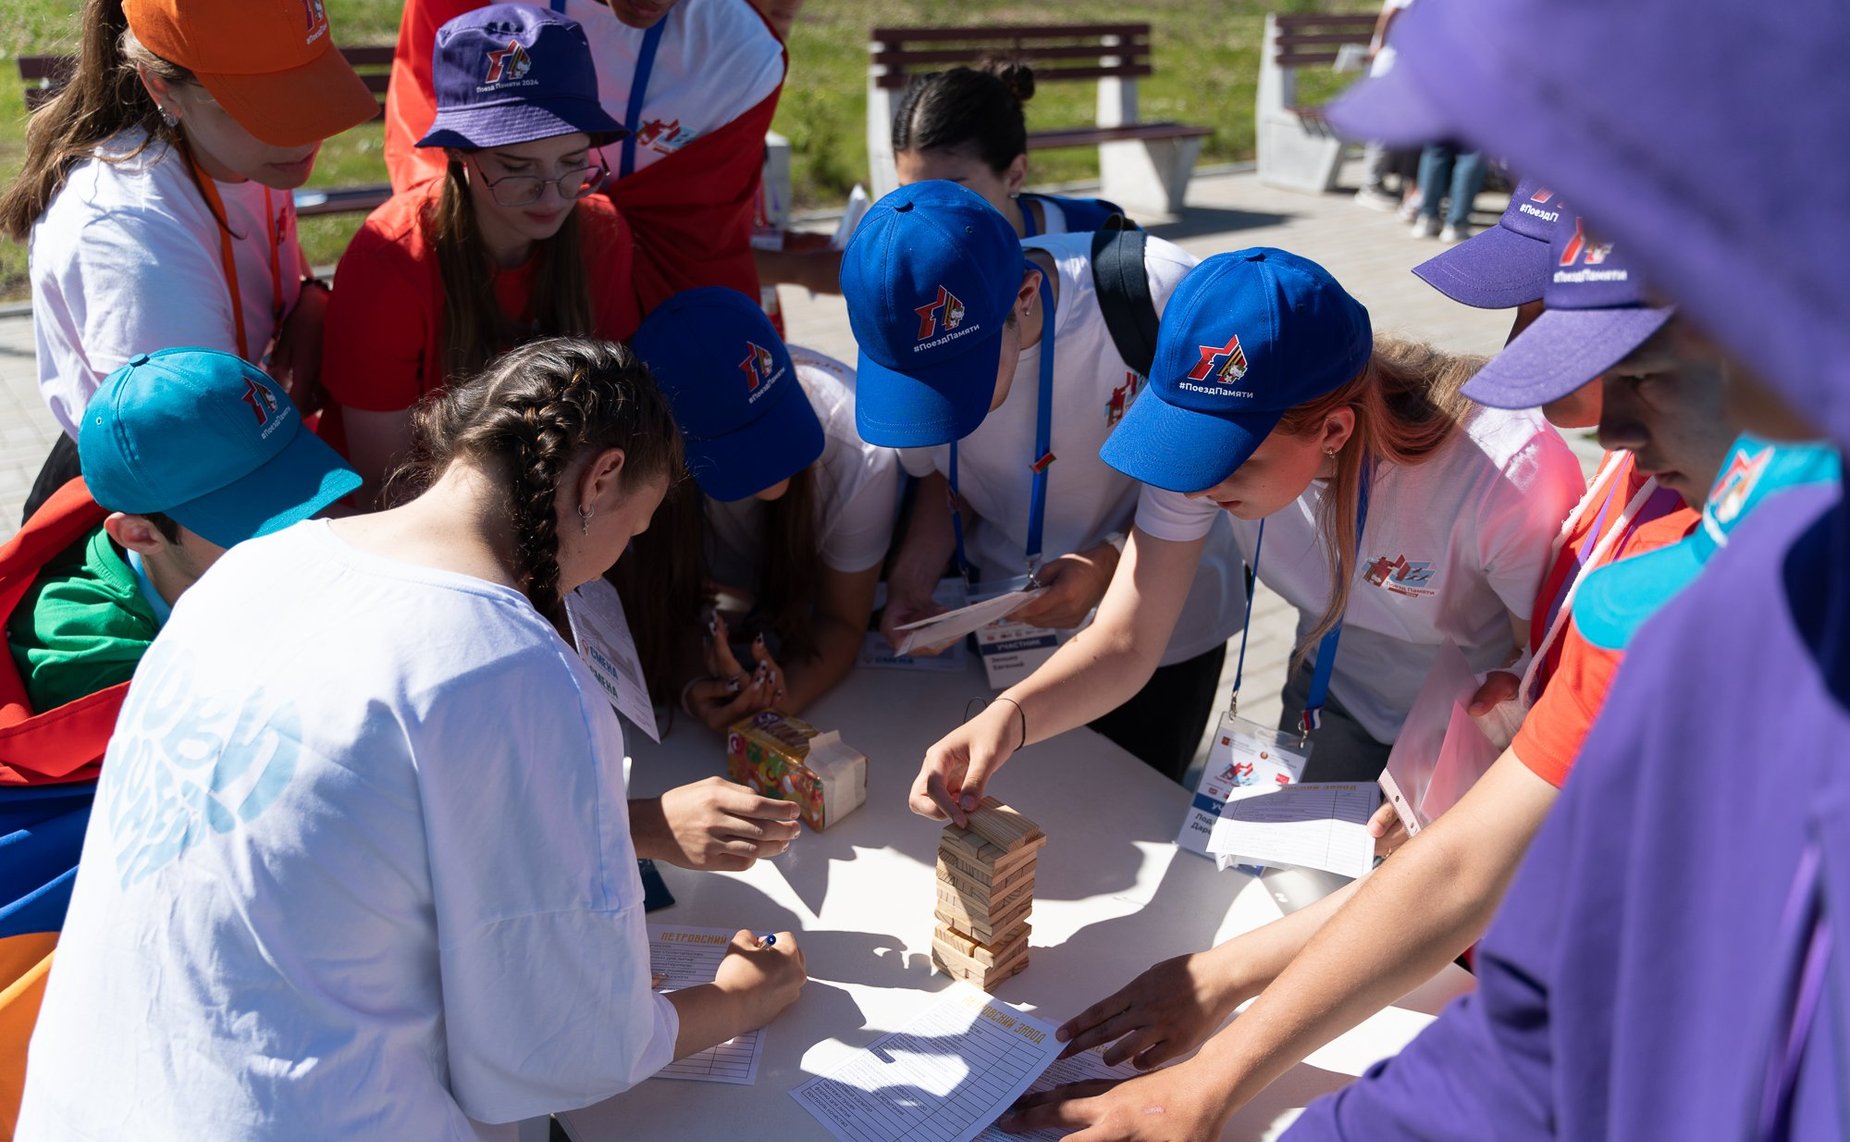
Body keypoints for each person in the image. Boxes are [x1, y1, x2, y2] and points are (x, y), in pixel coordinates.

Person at [1006, 235, 1808, 1136]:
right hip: (1382, 744)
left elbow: (1498, 810)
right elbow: (1477, 866)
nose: (1599, 426)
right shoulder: (1656, 539)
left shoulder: (1532, 488)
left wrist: (1227, 1024)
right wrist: (1220, 990)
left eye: (1640, 376)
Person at [1249, 0, 1849, 1136]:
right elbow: (1546, 1029)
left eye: (1646, 343)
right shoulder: (1760, 589)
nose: (1603, 412)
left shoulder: (1733, 583)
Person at [15, 339, 807, 1138]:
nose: (612, 564)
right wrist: (742, 995)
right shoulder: (514, 667)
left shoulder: (245, 576)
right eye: (633, 531)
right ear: (600, 480)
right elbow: (562, 1052)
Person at [912, 245, 1584, 829]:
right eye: (1187, 448)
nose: (1198, 485)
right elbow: (1127, 638)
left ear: (1334, 432)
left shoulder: (1504, 475)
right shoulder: (1205, 454)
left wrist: (1467, 792)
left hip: (1474, 729)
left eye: (1232, 459)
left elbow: (1550, 684)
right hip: (1334, 701)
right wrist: (1009, 720)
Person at [0, 347, 361, 1137]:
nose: (305, 530)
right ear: (136, 532)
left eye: (297, 490)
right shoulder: (88, 666)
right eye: (254, 516)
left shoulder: (192, 557)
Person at [841, 180, 1246, 782]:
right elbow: (942, 482)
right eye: (917, 386)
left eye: (960, 378)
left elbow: (1212, 478)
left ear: (1026, 294)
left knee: (1132, 805)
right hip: (1007, 627)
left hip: (1162, 632)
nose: (941, 407)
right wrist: (911, 580)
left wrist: (1104, 565)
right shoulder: (909, 336)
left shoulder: (1159, 296)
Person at [0, 0, 376, 522]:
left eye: (304, 89)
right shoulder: (127, 233)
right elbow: (196, 471)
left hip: (243, 451)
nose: (303, 132)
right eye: (261, 106)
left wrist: (310, 298)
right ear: (160, 86)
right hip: (166, 513)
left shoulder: (243, 150)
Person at [319, 4, 643, 505]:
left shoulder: (599, 232)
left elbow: (612, 420)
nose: (554, 196)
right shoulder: (391, 260)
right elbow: (386, 483)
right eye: (518, 167)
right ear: (456, 155)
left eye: (573, 163)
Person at [617, 286, 898, 730]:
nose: (771, 463)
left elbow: (843, 622)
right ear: (662, 445)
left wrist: (775, 706)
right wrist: (692, 685)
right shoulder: (626, 469)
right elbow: (652, 609)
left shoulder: (861, 449)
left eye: (775, 420)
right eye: (738, 445)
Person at [385, 0, 786, 300]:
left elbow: (700, 246)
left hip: (650, 312)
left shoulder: (747, 55)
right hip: (484, 281)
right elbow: (432, 159)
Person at [893, 61, 1125, 238]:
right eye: (910, 195)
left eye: (949, 193)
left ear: (1015, 175)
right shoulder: (898, 263)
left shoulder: (1101, 237)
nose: (924, 217)